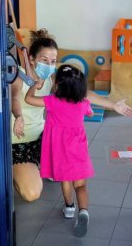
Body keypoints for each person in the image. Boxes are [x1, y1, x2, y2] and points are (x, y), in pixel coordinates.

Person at [11, 29, 132, 202]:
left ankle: (37, 165)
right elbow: (15, 98)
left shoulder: (52, 78)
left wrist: (113, 104)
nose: (49, 65)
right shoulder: (18, 75)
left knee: (62, 174)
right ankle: (11, 169)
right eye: (44, 60)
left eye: (53, 61)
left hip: (44, 137)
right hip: (20, 141)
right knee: (31, 194)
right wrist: (19, 116)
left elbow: (82, 92)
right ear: (31, 59)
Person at [25, 64, 93, 237]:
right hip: (78, 149)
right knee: (80, 184)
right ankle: (83, 211)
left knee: (65, 179)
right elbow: (90, 113)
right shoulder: (83, 102)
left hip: (60, 149)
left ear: (57, 86)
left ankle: (69, 207)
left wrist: (34, 85)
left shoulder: (51, 101)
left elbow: (29, 99)